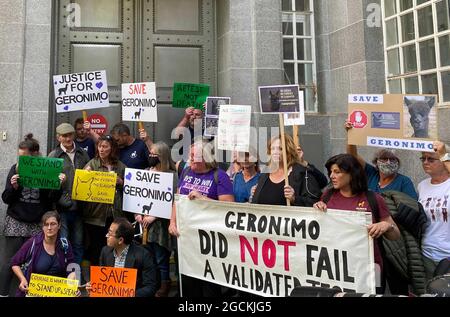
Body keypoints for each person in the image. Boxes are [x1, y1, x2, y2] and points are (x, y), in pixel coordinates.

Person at [313, 154, 401, 294]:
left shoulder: (373, 199)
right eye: (331, 172)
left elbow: (395, 234)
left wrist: (386, 226)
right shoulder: (327, 196)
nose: (331, 176)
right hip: (337, 268)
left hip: (371, 268)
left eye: (337, 172)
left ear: (352, 174)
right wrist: (318, 209)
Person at [169, 138, 234, 297]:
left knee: (209, 285)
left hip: (208, 240)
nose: (189, 159)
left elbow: (229, 208)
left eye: (193, 156)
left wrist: (203, 198)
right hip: (185, 237)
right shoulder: (186, 171)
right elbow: (177, 199)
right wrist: (172, 222)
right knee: (187, 282)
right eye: (189, 155)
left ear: (206, 158)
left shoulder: (220, 176)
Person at [0, 134, 63, 296]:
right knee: (8, 261)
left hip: (37, 222)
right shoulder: (16, 168)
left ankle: (34, 293)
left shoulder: (46, 169)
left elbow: (52, 200)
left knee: (37, 261)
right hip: (16, 221)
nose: (21, 160)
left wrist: (58, 185)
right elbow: (6, 199)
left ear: (35, 154)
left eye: (24, 156)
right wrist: (13, 187)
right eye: (19, 156)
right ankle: (3, 293)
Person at [134, 141, 177, 297]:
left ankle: (165, 283)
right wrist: (137, 213)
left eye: (154, 154)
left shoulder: (172, 176)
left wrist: (155, 215)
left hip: (161, 225)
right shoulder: (145, 171)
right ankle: (152, 283)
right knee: (148, 256)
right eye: (150, 154)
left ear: (163, 156)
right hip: (144, 224)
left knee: (160, 257)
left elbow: (173, 200)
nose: (151, 157)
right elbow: (137, 195)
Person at [48, 123, 90, 265]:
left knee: (78, 243)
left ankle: (76, 275)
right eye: (64, 136)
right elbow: (48, 186)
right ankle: (64, 273)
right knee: (63, 242)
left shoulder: (82, 153)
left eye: (70, 135)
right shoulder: (53, 156)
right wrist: (57, 183)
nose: (68, 138)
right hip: (62, 208)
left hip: (79, 207)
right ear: (58, 137)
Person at [86, 218, 159, 297]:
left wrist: (131, 294)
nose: (106, 236)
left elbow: (150, 287)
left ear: (120, 240)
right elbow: (102, 281)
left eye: (110, 234)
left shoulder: (143, 255)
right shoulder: (105, 251)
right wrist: (93, 286)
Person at [10, 211, 77, 297]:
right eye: (46, 224)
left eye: (53, 224)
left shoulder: (65, 244)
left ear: (59, 225)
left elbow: (72, 267)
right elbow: (14, 263)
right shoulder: (33, 242)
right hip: (33, 292)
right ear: (42, 226)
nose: (49, 228)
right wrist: (23, 279)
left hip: (56, 292)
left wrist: (72, 286)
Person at [83, 135, 126, 265]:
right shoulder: (92, 163)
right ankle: (96, 279)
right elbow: (81, 187)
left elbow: (131, 189)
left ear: (111, 148)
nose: (101, 149)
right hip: (95, 215)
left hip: (114, 215)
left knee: (112, 248)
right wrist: (86, 175)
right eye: (100, 146)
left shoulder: (120, 166)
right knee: (96, 248)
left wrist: (121, 182)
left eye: (105, 146)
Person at [345, 121, 417, 199]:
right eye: (384, 158)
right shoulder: (371, 174)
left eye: (392, 159)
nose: (388, 162)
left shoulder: (404, 182)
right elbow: (353, 156)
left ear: (398, 162)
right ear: (376, 161)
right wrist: (350, 133)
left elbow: (412, 206)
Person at [251, 134, 322, 206]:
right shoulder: (265, 174)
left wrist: (295, 199)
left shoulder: (302, 173)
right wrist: (256, 194)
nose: (275, 152)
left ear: (289, 151)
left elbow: (314, 201)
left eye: (280, 149)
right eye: (272, 148)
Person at [418, 141, 450, 281]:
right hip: (427, 254)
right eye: (423, 158)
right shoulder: (422, 186)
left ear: (443, 161)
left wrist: (443, 154)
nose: (425, 162)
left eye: (431, 159)